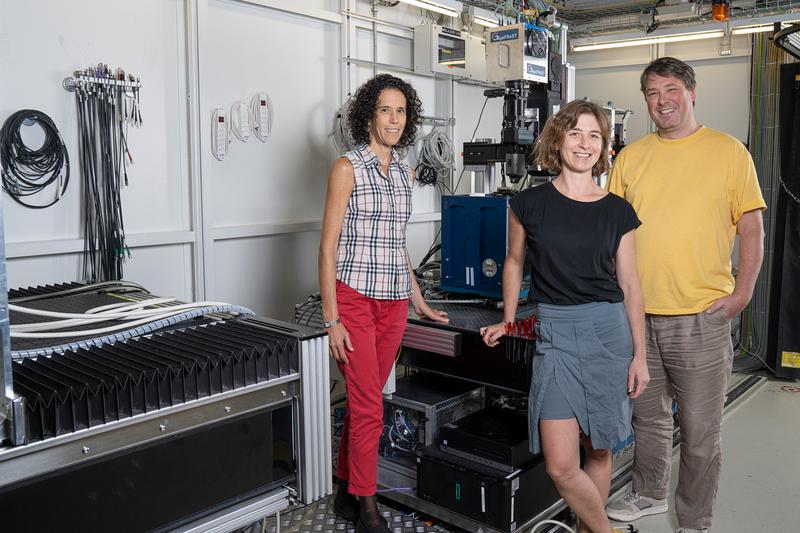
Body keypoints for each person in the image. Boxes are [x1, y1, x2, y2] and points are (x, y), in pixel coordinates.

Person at [604, 57, 766, 533]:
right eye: (652, 93)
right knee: (648, 420)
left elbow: (752, 229)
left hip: (701, 316)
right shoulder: (631, 157)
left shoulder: (729, 151)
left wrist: (743, 293)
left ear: (692, 92)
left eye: (671, 89)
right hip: (638, 316)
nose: (662, 101)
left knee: (699, 433)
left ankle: (694, 520)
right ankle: (650, 493)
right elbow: (613, 234)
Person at [480, 99, 649, 533]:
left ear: (603, 147)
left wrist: (640, 357)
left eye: (595, 135)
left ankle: (587, 528)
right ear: (559, 140)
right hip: (555, 336)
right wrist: (509, 317)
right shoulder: (529, 204)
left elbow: (631, 286)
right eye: (576, 133)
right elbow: (514, 262)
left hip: (608, 335)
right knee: (559, 463)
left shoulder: (618, 211)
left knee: (598, 449)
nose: (585, 143)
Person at [318, 74, 449, 533]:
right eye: (384, 110)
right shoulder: (347, 168)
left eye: (400, 111)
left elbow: (396, 245)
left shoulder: (402, 172)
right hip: (354, 299)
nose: (393, 119)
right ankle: (368, 506)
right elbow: (328, 248)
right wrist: (331, 318)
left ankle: (343, 490)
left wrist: (420, 301)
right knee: (372, 405)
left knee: (365, 400)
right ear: (368, 115)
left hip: (393, 301)